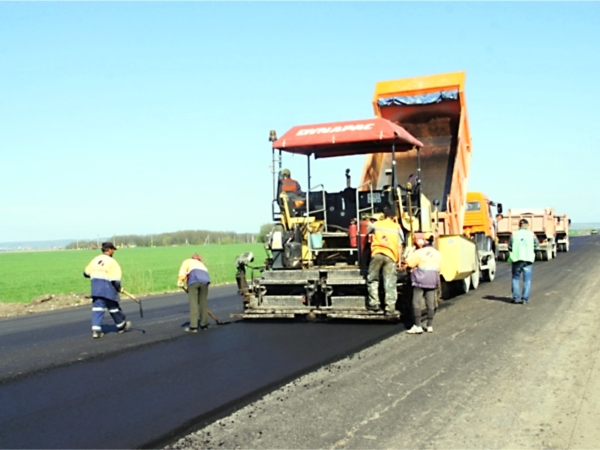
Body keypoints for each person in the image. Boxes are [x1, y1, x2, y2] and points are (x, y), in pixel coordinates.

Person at [83, 242, 131, 339]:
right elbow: (115, 279)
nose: (114, 251)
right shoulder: (112, 262)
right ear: (109, 250)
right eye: (113, 250)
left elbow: (86, 273)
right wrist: (118, 288)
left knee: (98, 309)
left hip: (96, 288)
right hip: (107, 288)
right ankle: (121, 326)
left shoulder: (95, 260)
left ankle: (96, 331)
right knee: (114, 308)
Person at [366, 206, 405, 315]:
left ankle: (374, 304)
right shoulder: (397, 227)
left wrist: (372, 222)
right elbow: (400, 245)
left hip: (377, 253)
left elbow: (367, 231)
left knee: (373, 279)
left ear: (384, 215)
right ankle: (390, 308)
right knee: (390, 282)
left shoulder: (377, 224)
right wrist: (399, 260)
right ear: (393, 217)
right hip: (390, 256)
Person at [405, 233, 442, 334]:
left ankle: (418, 326)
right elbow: (439, 269)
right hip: (432, 281)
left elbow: (409, 263)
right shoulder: (438, 254)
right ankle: (429, 325)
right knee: (430, 303)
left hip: (420, 281)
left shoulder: (419, 252)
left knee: (416, 303)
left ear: (424, 241)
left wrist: (410, 253)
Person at [509, 218, 539, 304]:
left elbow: (510, 247)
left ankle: (516, 298)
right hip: (528, 259)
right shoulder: (532, 235)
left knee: (515, 278)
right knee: (527, 280)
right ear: (527, 226)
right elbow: (537, 246)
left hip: (517, 259)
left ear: (519, 225)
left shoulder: (513, 234)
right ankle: (525, 299)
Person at [178, 253, 211, 332]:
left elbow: (182, 272)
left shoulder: (188, 261)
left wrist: (180, 281)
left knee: (194, 303)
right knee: (203, 303)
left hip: (194, 281)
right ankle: (204, 325)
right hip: (205, 282)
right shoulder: (202, 264)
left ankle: (193, 327)